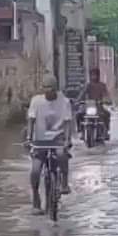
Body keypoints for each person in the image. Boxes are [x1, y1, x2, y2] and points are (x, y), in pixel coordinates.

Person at [25, 75, 73, 213]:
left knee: (61, 155)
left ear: (55, 89)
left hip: (58, 139)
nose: (47, 91)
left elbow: (68, 121)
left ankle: (64, 182)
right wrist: (29, 138)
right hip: (40, 141)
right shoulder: (36, 101)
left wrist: (68, 139)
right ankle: (35, 198)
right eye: (45, 88)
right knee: (35, 170)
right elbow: (31, 120)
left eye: (50, 88)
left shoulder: (64, 102)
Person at [76, 67, 112, 140]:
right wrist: (78, 101)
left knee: (107, 114)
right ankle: (80, 130)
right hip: (89, 106)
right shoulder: (88, 85)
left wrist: (107, 100)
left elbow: (106, 95)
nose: (94, 77)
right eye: (92, 75)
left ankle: (106, 131)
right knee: (78, 114)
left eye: (95, 75)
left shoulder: (102, 85)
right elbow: (82, 94)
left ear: (98, 75)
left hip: (99, 106)